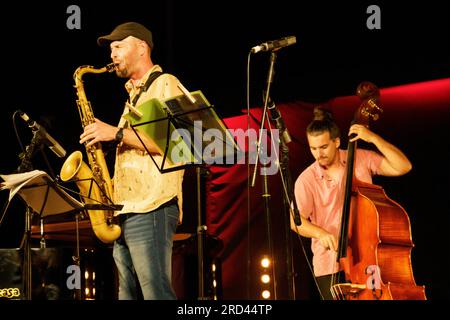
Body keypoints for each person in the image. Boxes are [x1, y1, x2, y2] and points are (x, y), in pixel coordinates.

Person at [79, 21, 185, 300]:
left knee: (156, 293)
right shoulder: (133, 97)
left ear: (141, 47)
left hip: (152, 204)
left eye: (118, 46)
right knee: (127, 295)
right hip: (127, 207)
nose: (111, 55)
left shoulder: (164, 83)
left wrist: (115, 133)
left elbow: (174, 143)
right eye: (110, 49)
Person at [290, 106, 412, 300]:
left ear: (336, 142)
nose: (318, 154)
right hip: (330, 264)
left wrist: (373, 138)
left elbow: (403, 166)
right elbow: (296, 221)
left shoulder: (361, 158)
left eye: (323, 147)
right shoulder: (306, 180)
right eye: (313, 148)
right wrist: (320, 233)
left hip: (367, 261)